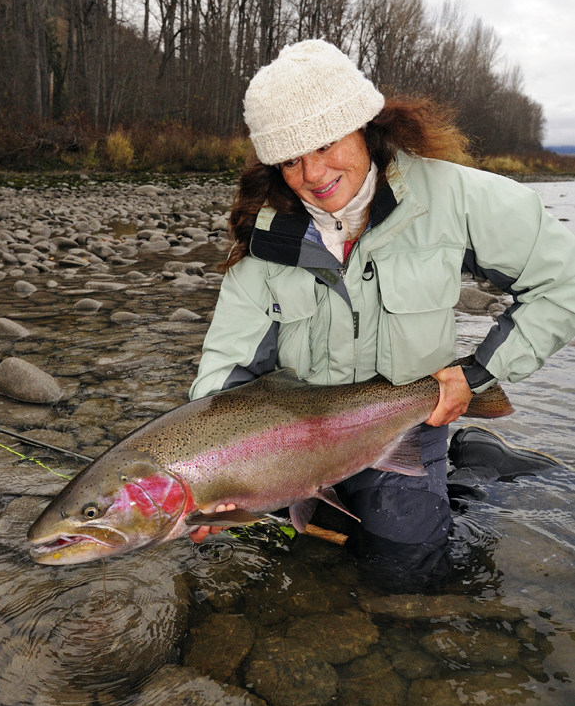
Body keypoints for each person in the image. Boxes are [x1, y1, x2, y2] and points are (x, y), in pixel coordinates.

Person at [188, 39, 575, 590]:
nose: (313, 173)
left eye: (325, 144)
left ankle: (469, 470)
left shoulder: (455, 199)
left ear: (364, 127)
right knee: (242, 543)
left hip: (409, 421)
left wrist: (478, 374)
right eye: (291, 159)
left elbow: (564, 282)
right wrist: (209, 475)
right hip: (298, 442)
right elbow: (226, 371)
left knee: (407, 570)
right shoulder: (268, 238)